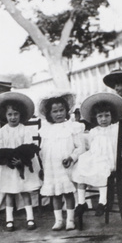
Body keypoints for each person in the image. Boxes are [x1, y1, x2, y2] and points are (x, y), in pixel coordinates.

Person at [0, 92, 42, 231]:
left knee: (25, 191)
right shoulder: (2, 131)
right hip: (8, 166)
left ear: (21, 115)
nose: (13, 117)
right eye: (10, 114)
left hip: (23, 164)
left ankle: (30, 218)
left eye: (16, 114)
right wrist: (7, 159)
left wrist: (22, 159)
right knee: (9, 192)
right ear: (5, 116)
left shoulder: (24, 130)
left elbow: (29, 147)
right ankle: (9, 219)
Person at [72, 93, 122, 219]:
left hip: (110, 160)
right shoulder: (94, 131)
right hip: (96, 158)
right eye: (100, 116)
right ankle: (81, 202)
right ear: (95, 118)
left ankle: (103, 201)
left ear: (112, 116)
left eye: (107, 115)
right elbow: (91, 147)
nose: (103, 119)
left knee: (101, 169)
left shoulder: (115, 128)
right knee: (81, 167)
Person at [38, 90, 85, 231]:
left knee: (68, 192)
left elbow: (80, 147)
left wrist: (72, 157)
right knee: (55, 194)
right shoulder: (46, 129)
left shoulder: (72, 127)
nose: (59, 114)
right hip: (51, 167)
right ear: (49, 114)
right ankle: (58, 220)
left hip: (67, 165)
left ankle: (70, 219)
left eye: (61, 110)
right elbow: (43, 149)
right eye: (55, 111)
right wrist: (43, 166)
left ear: (66, 110)